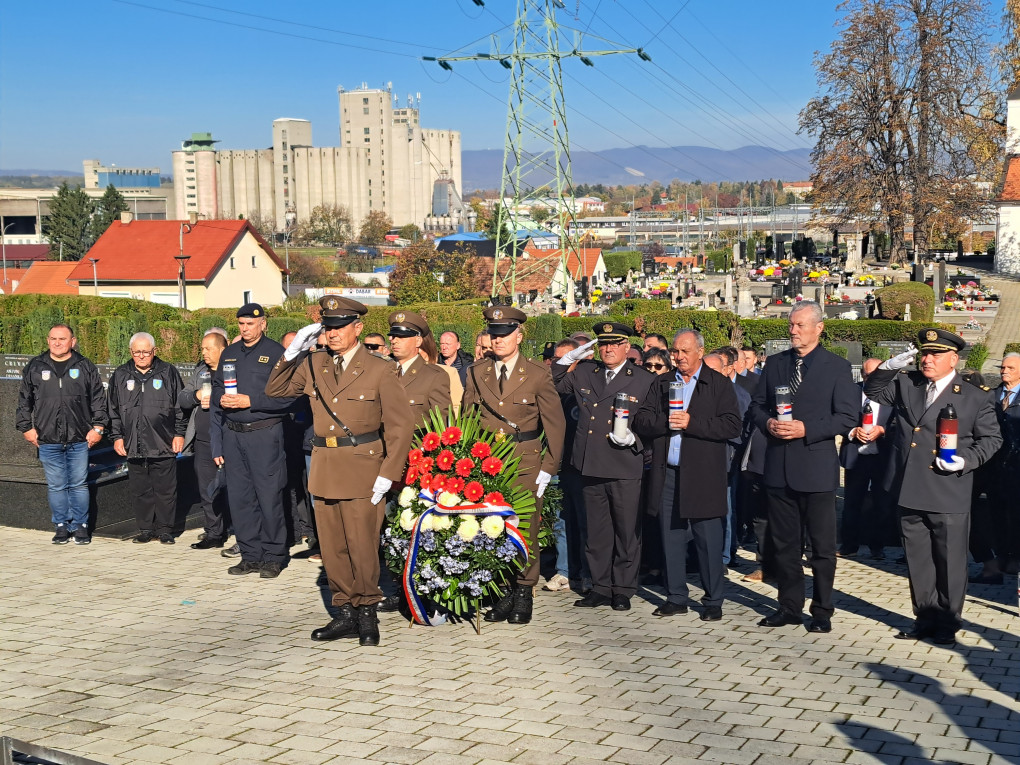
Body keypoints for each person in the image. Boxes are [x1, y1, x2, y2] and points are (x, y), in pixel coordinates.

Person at [266, 296, 413, 646]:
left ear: (357, 328)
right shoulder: (314, 363)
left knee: (362, 545)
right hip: (326, 465)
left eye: (340, 327)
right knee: (333, 548)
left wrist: (389, 472)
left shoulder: (379, 368)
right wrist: (291, 353)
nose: (332, 334)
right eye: (328, 327)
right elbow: (275, 390)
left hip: (364, 466)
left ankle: (367, 612)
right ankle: (344, 611)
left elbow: (400, 425)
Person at [865, 330, 1002, 644]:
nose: (927, 360)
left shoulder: (975, 395)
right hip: (909, 487)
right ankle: (924, 618)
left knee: (950, 561)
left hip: (947, 488)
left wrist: (965, 460)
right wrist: (889, 366)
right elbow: (873, 390)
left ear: (953, 359)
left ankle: (947, 623)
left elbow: (991, 439)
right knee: (918, 561)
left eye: (935, 355)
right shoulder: (908, 383)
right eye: (925, 354)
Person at [748, 301, 859, 633]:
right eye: (791, 325)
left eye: (799, 325)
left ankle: (822, 610)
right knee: (785, 545)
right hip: (778, 468)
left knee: (822, 548)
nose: (793, 331)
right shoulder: (776, 364)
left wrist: (806, 429)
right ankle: (789, 606)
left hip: (816, 469)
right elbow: (756, 406)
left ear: (818, 328)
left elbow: (846, 417)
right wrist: (768, 423)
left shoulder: (836, 367)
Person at [462, 306, 565, 625]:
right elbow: (468, 418)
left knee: (525, 528)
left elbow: (555, 423)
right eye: (494, 334)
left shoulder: (537, 373)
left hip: (525, 460)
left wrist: (549, 466)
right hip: (488, 462)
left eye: (505, 334)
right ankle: (503, 591)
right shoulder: (477, 372)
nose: (498, 339)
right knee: (492, 527)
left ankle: (523, 591)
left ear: (519, 336)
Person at [636, 333, 741, 620]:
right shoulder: (661, 382)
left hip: (704, 474)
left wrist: (692, 423)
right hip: (668, 473)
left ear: (700, 351)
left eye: (685, 351)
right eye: (675, 351)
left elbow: (732, 425)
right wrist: (666, 421)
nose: (678, 356)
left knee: (708, 540)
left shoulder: (717, 383)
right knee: (670, 537)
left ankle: (713, 601)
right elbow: (642, 420)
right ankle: (676, 597)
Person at [553, 322, 657, 612]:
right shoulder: (587, 372)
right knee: (597, 532)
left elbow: (652, 419)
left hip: (623, 463)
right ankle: (600, 587)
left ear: (627, 347)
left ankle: (622, 589)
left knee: (625, 531)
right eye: (603, 344)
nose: (608, 349)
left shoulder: (643, 379)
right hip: (591, 463)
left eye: (615, 344)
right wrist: (568, 358)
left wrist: (635, 438)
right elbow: (553, 383)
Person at [210, 303, 298, 579]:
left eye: (250, 323)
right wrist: (220, 399)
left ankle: (273, 556)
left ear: (263, 324)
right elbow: (217, 387)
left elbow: (289, 396)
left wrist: (252, 401)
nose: (245, 328)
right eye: (241, 324)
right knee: (240, 498)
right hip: (233, 434)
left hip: (264, 434)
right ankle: (250, 555)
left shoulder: (276, 353)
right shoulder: (230, 353)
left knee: (269, 496)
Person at [16, 323, 107, 545]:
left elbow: (98, 399)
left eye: (62, 339)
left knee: (78, 484)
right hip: (47, 438)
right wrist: (26, 427)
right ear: (48, 340)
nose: (57, 343)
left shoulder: (84, 366)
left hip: (79, 437)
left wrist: (98, 428)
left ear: (72, 342)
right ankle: (61, 526)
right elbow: (24, 400)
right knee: (56, 485)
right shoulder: (35, 366)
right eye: (53, 339)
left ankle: (81, 526)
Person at [108, 332, 186, 544]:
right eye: (137, 352)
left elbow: (180, 407)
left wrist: (179, 433)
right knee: (140, 490)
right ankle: (145, 529)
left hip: (163, 441)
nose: (141, 356)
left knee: (165, 490)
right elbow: (113, 410)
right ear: (130, 352)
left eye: (146, 352)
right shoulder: (121, 374)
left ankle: (165, 530)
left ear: (154, 351)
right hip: (134, 443)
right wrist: (117, 436)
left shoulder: (168, 372)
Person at [179, 329, 231, 549]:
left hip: (228, 439)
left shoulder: (232, 371)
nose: (204, 353)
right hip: (202, 440)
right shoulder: (200, 371)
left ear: (222, 349)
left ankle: (237, 528)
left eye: (209, 349)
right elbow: (182, 398)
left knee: (231, 488)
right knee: (207, 488)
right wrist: (196, 395)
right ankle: (214, 532)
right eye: (202, 349)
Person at [970, 353, 1020, 582]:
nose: (1004, 371)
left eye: (1010, 368)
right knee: (996, 514)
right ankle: (999, 558)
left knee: (1016, 515)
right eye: (1002, 367)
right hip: (992, 467)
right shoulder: (990, 395)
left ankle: (1015, 558)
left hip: (1017, 467)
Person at [838, 358, 893, 560]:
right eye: (866, 374)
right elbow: (839, 418)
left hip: (881, 456)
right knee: (852, 502)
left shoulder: (893, 393)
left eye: (875, 375)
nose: (870, 379)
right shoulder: (850, 392)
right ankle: (849, 545)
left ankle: (877, 547)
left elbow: (899, 422)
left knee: (881, 503)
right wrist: (852, 431)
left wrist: (883, 430)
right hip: (856, 454)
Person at [388, 311, 452, 428]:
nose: (394, 341)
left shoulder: (434, 376)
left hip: (416, 439)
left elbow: (444, 424)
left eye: (402, 337)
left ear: (418, 341)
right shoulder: (382, 370)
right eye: (393, 336)